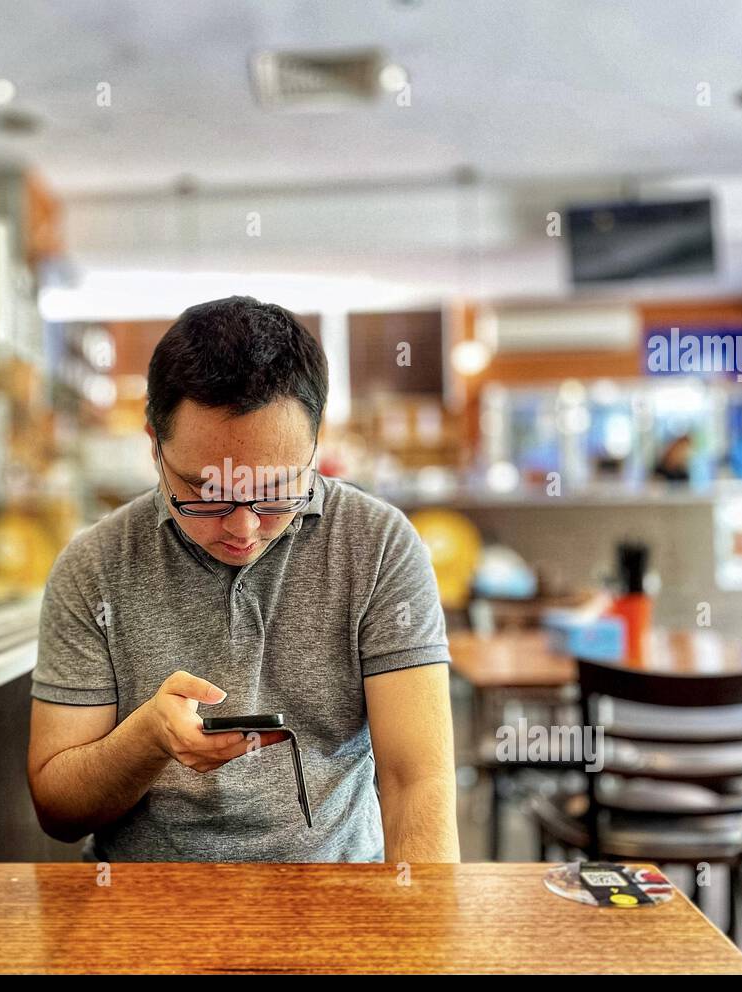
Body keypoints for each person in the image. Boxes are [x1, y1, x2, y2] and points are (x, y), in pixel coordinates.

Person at [27, 296, 458, 862]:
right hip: (139, 909)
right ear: (154, 445)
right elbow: (58, 812)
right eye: (206, 493)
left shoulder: (379, 547)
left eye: (278, 491)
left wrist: (418, 936)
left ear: (315, 447)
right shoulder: (94, 566)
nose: (244, 528)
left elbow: (416, 783)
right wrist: (146, 740)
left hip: (332, 897)